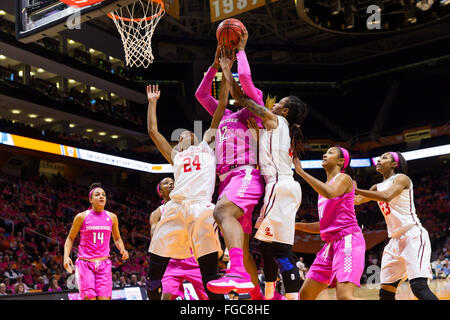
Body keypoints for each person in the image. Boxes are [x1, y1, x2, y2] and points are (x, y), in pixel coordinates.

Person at [145, 49, 233, 301]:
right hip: (175, 209)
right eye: (181, 135)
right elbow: (153, 131)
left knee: (209, 278)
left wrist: (223, 73)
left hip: (202, 210)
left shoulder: (207, 146)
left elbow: (222, 107)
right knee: (153, 273)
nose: (185, 134)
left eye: (188, 133)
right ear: (178, 143)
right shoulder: (176, 157)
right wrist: (153, 103)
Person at [220, 64, 308, 300]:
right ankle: (270, 295)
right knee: (269, 247)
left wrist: (227, 70)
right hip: (287, 187)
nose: (274, 104)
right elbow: (269, 154)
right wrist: (257, 136)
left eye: (280, 103)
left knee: (278, 249)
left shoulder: (275, 121)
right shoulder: (283, 130)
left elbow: (239, 95)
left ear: (286, 111)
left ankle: (288, 297)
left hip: (278, 187)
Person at [197, 31, 265, 299]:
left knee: (222, 213)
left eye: (248, 94)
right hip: (226, 181)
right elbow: (201, 94)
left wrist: (241, 51)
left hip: (245, 173)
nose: (244, 93)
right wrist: (214, 66)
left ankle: (235, 271)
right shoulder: (225, 115)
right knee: (243, 246)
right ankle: (260, 298)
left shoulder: (253, 113)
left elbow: (245, 79)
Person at [354, 151, 438, 300]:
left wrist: (355, 189)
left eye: (384, 157)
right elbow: (357, 200)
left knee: (419, 287)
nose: (379, 160)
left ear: (394, 164)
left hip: (412, 235)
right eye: (379, 157)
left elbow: (387, 196)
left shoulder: (401, 178)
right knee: (385, 294)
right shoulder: (376, 187)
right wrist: (336, 191)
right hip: (394, 241)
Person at [294, 147, 365, 300]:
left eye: (331, 152)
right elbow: (323, 226)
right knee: (305, 295)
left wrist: (301, 172)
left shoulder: (344, 178)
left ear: (341, 161)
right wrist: (294, 225)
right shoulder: (324, 189)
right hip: (330, 245)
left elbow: (330, 192)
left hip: (347, 240)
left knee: (344, 296)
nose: (325, 154)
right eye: (325, 152)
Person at [63, 183, 129, 300]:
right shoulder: (81, 217)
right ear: (90, 199)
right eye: (97, 195)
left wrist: (122, 249)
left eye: (103, 194)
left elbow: (117, 238)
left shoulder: (112, 217)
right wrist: (66, 256)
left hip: (104, 264)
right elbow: (70, 238)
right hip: (85, 264)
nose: (101, 196)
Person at [148, 177, 208, 300]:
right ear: (160, 192)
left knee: (209, 296)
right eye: (166, 183)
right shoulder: (157, 213)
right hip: (171, 261)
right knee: (166, 296)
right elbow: (154, 237)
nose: (171, 183)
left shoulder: (189, 205)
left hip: (193, 258)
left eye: (172, 182)